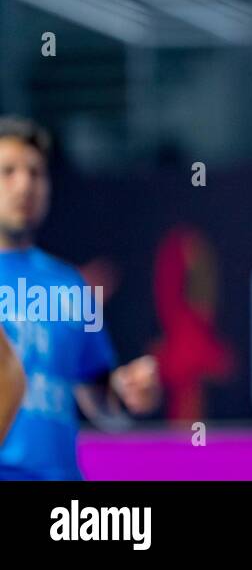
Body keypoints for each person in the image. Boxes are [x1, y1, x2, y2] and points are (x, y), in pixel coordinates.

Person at [0, 116, 162, 480]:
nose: (24, 184)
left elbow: (99, 402)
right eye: (7, 171)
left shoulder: (69, 284)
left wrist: (125, 392)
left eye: (36, 173)